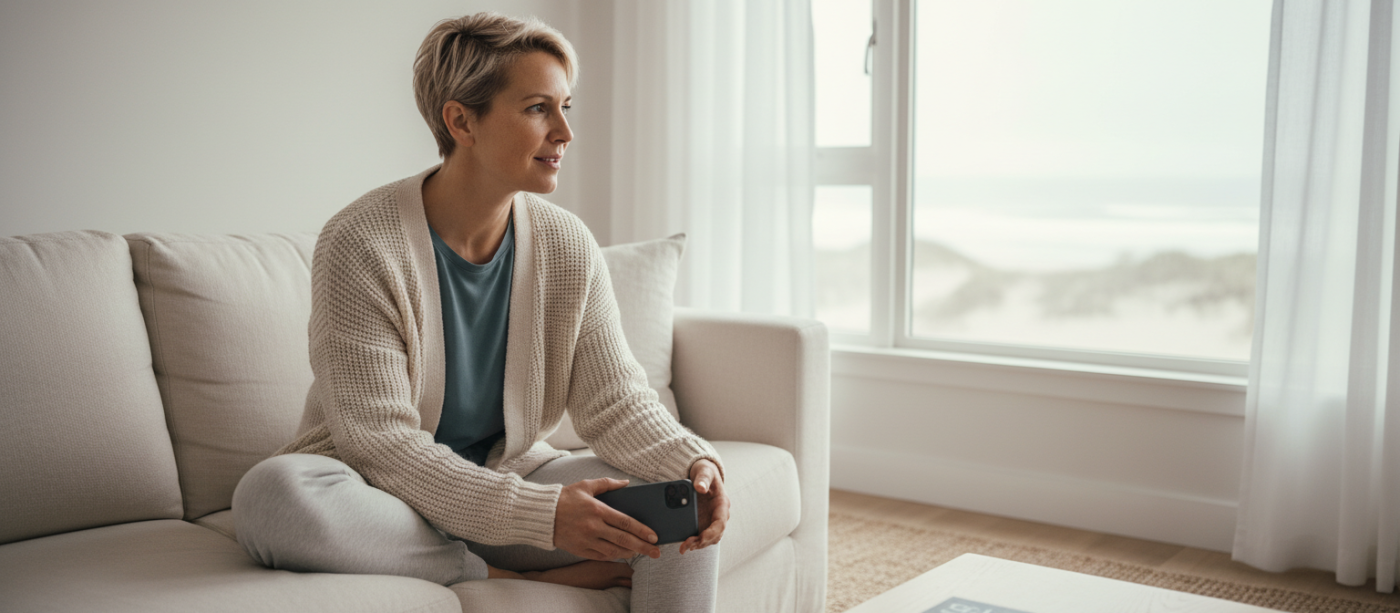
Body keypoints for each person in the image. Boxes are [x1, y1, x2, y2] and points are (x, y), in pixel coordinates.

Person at [231, 12, 728, 612]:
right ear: (461, 120)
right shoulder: (361, 242)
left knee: (674, 506)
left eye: (567, 106)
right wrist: (540, 518)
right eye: (539, 108)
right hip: (384, 497)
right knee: (273, 495)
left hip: (507, 479)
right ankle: (487, 571)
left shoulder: (566, 244)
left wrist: (694, 461)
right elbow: (382, 444)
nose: (566, 131)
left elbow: (615, 400)